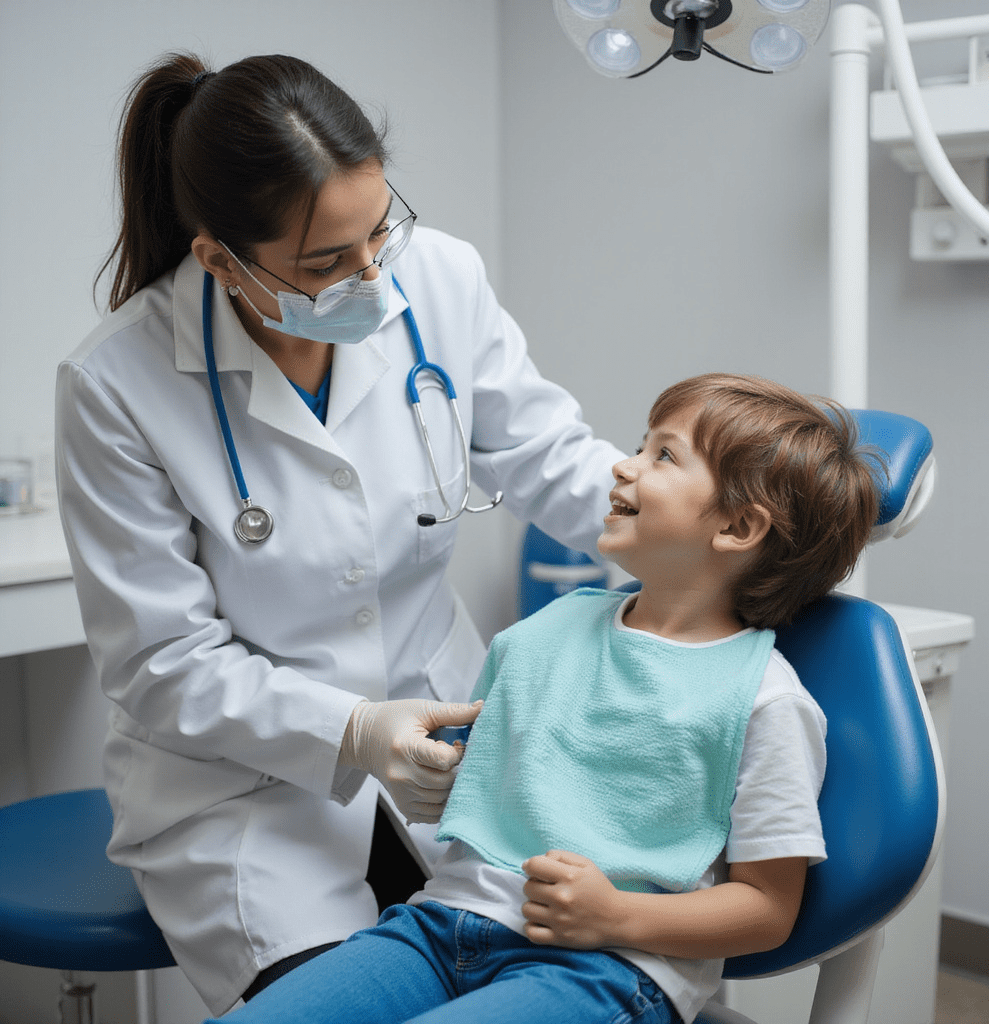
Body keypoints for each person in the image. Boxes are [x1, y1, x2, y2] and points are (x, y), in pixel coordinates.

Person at [55, 51, 623, 1014]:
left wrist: (721, 534)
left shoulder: (437, 275)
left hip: (450, 740)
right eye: (327, 262)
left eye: (381, 231)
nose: (375, 276)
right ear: (220, 259)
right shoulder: (116, 384)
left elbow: (547, 454)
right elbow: (162, 665)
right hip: (247, 797)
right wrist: (353, 730)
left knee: (540, 979)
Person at [200, 373, 882, 1024]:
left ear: (738, 529)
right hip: (437, 928)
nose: (623, 465)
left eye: (664, 456)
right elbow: (502, 784)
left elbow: (767, 909)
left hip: (606, 965)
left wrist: (619, 916)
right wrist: (443, 778)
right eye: (640, 444)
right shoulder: (542, 635)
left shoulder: (762, 701)